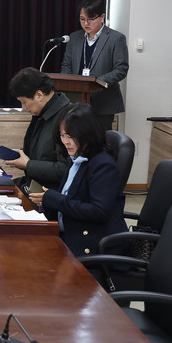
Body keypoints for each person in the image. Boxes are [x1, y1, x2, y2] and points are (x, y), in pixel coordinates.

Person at [29, 103, 128, 257]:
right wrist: (47, 200)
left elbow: (99, 212)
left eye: (70, 136)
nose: (65, 141)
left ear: (88, 134)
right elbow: (73, 198)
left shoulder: (103, 165)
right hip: (69, 233)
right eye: (62, 135)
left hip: (91, 245)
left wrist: (55, 200)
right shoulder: (78, 158)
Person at [60, 0, 129, 132]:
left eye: (90, 19)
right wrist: (67, 85)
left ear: (102, 17)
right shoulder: (74, 38)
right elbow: (66, 65)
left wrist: (96, 83)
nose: (86, 23)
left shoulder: (116, 38)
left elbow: (121, 69)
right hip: (76, 102)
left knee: (99, 141)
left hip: (103, 102)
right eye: (82, 19)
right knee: (77, 139)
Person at [5, 68, 71, 191]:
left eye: (24, 102)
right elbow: (43, 154)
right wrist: (21, 155)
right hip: (33, 185)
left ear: (39, 95)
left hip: (49, 192)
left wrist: (28, 165)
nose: (23, 107)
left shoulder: (66, 119)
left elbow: (65, 170)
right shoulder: (41, 113)